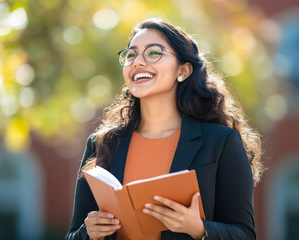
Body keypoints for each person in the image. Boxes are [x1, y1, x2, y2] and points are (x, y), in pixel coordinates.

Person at [65, 18, 263, 240]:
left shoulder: (220, 142)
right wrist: (88, 232)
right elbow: (73, 234)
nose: (137, 62)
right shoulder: (102, 144)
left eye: (153, 53)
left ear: (184, 70)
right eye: (131, 55)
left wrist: (198, 228)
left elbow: (244, 234)